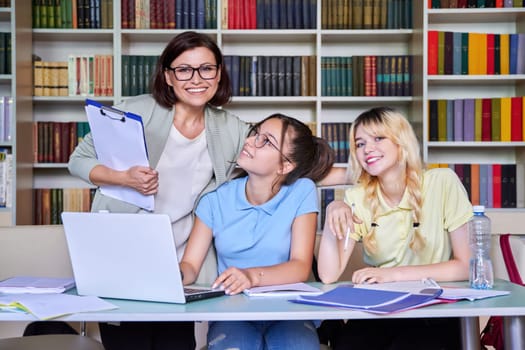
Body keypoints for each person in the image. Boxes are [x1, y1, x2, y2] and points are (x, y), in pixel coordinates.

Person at [68, 30, 251, 350]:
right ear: (168, 76)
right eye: (184, 69)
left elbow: (277, 160)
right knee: (128, 342)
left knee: (176, 344)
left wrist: (356, 174)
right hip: (124, 251)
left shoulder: (230, 127)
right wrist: (123, 177)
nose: (197, 78)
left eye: (207, 68)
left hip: (181, 259)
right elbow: (78, 161)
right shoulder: (137, 109)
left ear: (219, 73)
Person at [317, 107, 472, 350]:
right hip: (379, 310)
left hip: (432, 311)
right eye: (360, 143)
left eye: (378, 138)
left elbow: (466, 266)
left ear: (402, 142)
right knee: (348, 344)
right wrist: (332, 212)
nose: (367, 149)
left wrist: (393, 274)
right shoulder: (357, 197)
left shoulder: (442, 182)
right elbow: (328, 274)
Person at [180, 113, 335, 350]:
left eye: (266, 140)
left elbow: (300, 266)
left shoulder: (302, 191)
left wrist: (251, 276)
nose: (250, 141)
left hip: (289, 309)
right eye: (255, 133)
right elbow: (190, 266)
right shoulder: (214, 199)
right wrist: (171, 275)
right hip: (232, 311)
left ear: (285, 165)